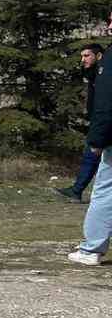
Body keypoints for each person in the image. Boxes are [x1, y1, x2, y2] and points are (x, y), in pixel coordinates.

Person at [57, 43, 104, 202]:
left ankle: (77, 190)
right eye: (81, 56)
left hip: (104, 122)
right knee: (91, 156)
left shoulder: (105, 75)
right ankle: (76, 190)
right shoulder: (95, 74)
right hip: (99, 121)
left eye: (86, 56)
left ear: (98, 56)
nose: (82, 59)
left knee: (92, 154)